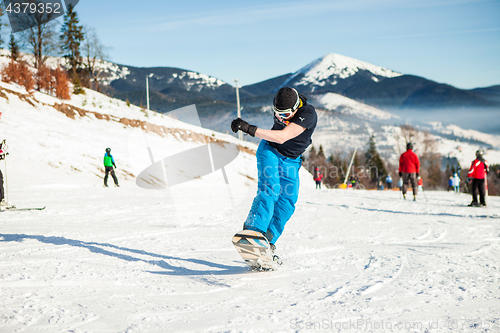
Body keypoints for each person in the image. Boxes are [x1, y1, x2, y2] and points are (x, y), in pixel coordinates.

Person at [231, 87, 317, 252]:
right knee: (270, 190)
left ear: (295, 108)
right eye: (277, 113)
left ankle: (266, 242)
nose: (280, 117)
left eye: (284, 115)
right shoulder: (285, 106)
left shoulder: (308, 114)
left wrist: (249, 128)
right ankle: (253, 232)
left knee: (287, 203)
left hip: (291, 161)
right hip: (270, 151)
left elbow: (283, 136)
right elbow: (276, 139)